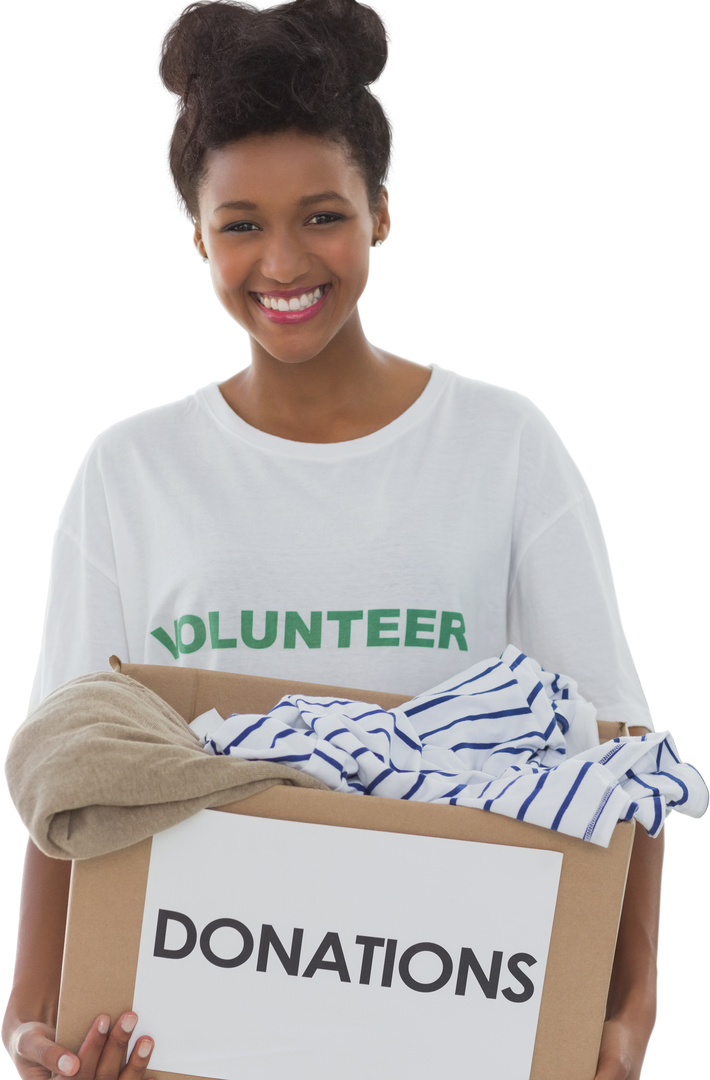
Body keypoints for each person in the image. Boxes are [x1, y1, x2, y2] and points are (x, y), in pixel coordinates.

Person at [1, 2, 667, 1078]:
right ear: (195, 234)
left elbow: (616, 751)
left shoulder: (501, 443)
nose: (282, 262)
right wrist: (28, 1012)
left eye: (321, 215)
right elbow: (69, 769)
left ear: (381, 215)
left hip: (452, 1016)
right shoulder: (133, 468)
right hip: (197, 1020)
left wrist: (628, 1017)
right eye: (240, 224)